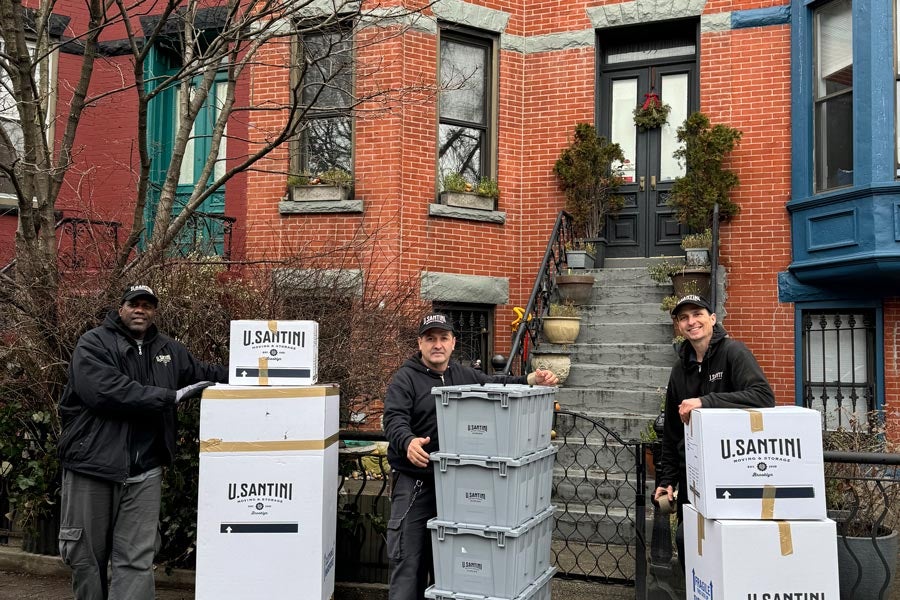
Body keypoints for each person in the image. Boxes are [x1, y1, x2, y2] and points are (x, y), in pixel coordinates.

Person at [57, 284, 228, 600]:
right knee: (86, 559)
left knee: (136, 560)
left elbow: (207, 373)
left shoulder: (169, 351)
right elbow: (105, 391)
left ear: (154, 312)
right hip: (92, 467)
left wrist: (261, 372)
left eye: (147, 305)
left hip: (145, 472)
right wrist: (168, 397)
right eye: (134, 304)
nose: (140, 310)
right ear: (120, 308)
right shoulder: (93, 344)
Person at [382, 312, 559, 600]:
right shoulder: (406, 378)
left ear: (453, 343)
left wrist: (531, 379)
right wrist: (408, 441)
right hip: (417, 484)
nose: (437, 345)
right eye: (430, 339)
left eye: (443, 338)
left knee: (453, 571)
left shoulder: (462, 375)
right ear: (420, 343)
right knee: (409, 563)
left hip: (459, 489)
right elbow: (394, 419)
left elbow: (495, 384)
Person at [653, 294, 775, 565]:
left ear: (712, 318)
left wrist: (705, 402)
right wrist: (667, 480)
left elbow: (763, 396)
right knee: (689, 543)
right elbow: (673, 432)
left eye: (697, 314)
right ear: (678, 326)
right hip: (693, 476)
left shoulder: (734, 353)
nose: (691, 322)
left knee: (730, 545)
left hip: (734, 471)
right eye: (684, 318)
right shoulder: (679, 369)